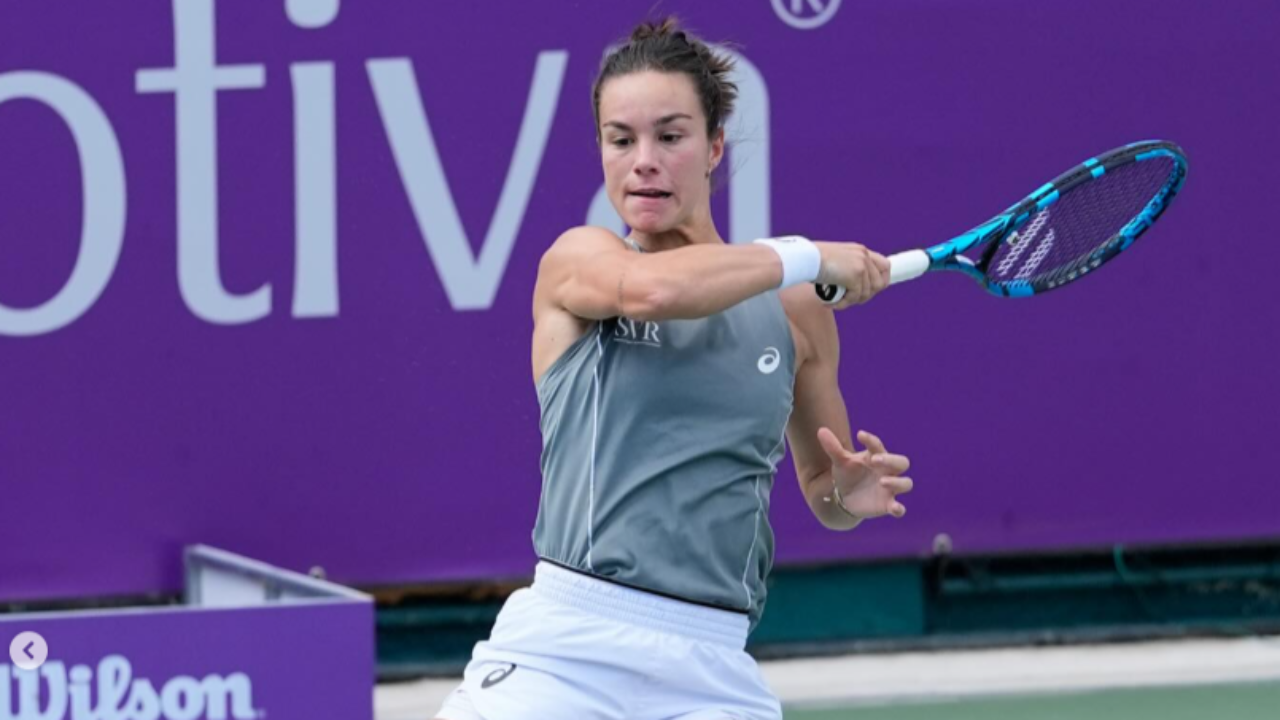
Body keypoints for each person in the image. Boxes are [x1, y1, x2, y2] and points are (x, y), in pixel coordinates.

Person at [436, 17, 913, 720]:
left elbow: (823, 492)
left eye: (671, 135)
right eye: (620, 140)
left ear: (715, 145)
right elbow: (655, 293)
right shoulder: (583, 261)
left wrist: (846, 496)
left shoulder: (798, 312)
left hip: (713, 662)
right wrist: (810, 253)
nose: (644, 161)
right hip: (565, 651)